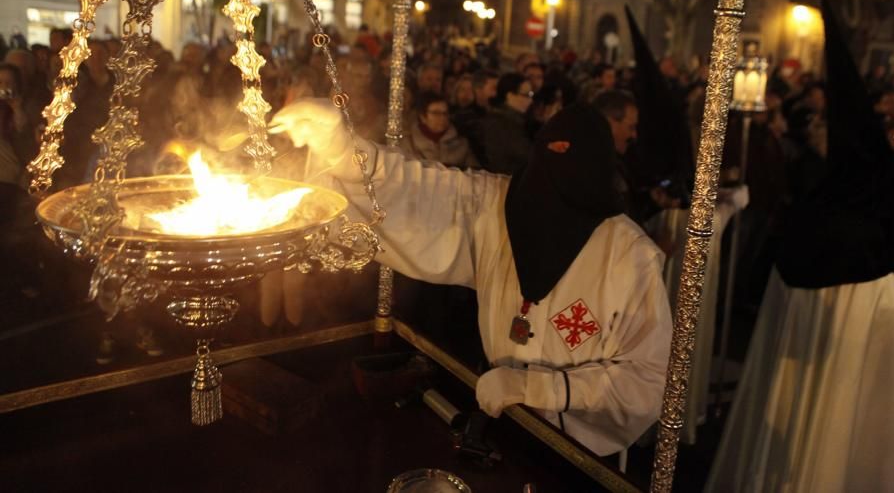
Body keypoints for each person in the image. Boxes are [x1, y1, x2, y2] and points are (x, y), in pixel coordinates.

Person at [270, 101, 672, 457]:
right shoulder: (505, 206)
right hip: (500, 425)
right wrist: (343, 151)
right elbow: (425, 189)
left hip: (577, 451)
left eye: (571, 169)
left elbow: (648, 378)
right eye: (548, 164)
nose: (552, 194)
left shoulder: (629, 257)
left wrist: (545, 390)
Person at [706, 0, 894, 493]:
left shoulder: (812, 213)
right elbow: (887, 322)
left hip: (787, 378)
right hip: (836, 381)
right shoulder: (868, 246)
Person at [402, 91, 479, 169]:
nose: (442, 118)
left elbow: (475, 173)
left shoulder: (462, 145)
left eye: (445, 113)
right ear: (423, 117)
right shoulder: (408, 144)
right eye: (436, 113)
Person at [480, 73, 534, 175]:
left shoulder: (514, 120)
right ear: (509, 96)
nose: (530, 100)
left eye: (531, 94)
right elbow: (527, 154)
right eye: (526, 95)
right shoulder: (500, 123)